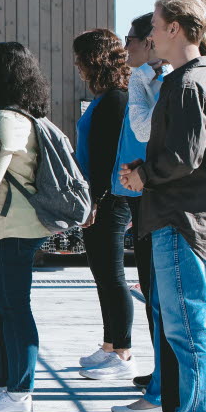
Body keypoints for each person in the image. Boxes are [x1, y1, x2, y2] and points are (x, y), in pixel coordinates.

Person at [120, 0, 206, 412]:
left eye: (155, 25)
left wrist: (142, 174)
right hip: (185, 215)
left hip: (179, 217)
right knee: (189, 329)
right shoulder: (190, 81)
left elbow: (185, 157)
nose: (149, 34)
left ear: (176, 28)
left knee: (188, 331)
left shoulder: (187, 84)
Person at [0, 42, 52, 412]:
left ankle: (19, 393)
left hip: (9, 227)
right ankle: (2, 385)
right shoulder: (10, 114)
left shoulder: (6, 118)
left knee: (10, 308)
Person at [110, 13, 172, 412]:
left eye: (131, 38)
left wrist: (140, 175)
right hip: (145, 198)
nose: (125, 47)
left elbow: (148, 135)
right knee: (158, 298)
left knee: (169, 304)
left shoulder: (169, 84)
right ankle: (163, 385)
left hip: (163, 200)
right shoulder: (154, 83)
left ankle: (168, 396)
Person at [72, 29, 135, 381]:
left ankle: (122, 351)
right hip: (101, 198)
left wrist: (95, 202)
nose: (77, 65)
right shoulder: (105, 97)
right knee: (101, 273)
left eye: (80, 57)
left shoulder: (115, 99)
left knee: (112, 275)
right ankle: (111, 343)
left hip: (108, 200)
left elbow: (107, 158)